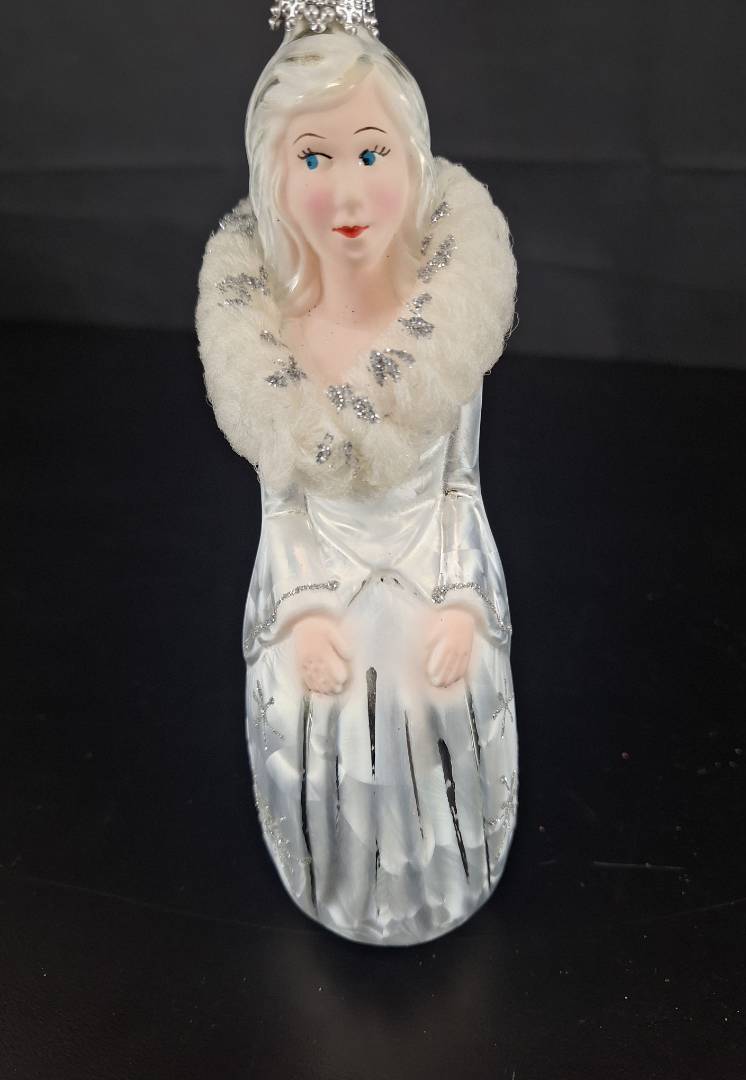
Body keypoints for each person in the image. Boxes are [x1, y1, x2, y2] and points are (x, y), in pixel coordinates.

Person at [196, 5, 519, 945]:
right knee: (326, 700)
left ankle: (444, 874)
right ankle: (343, 881)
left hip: (429, 566)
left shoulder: (444, 331)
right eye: (314, 158)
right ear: (273, 177)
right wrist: (302, 617)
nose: (347, 192)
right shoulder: (269, 342)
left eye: (372, 154)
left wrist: (462, 605)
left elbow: (461, 487)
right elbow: (281, 511)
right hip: (322, 577)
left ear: (411, 163)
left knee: (440, 686)